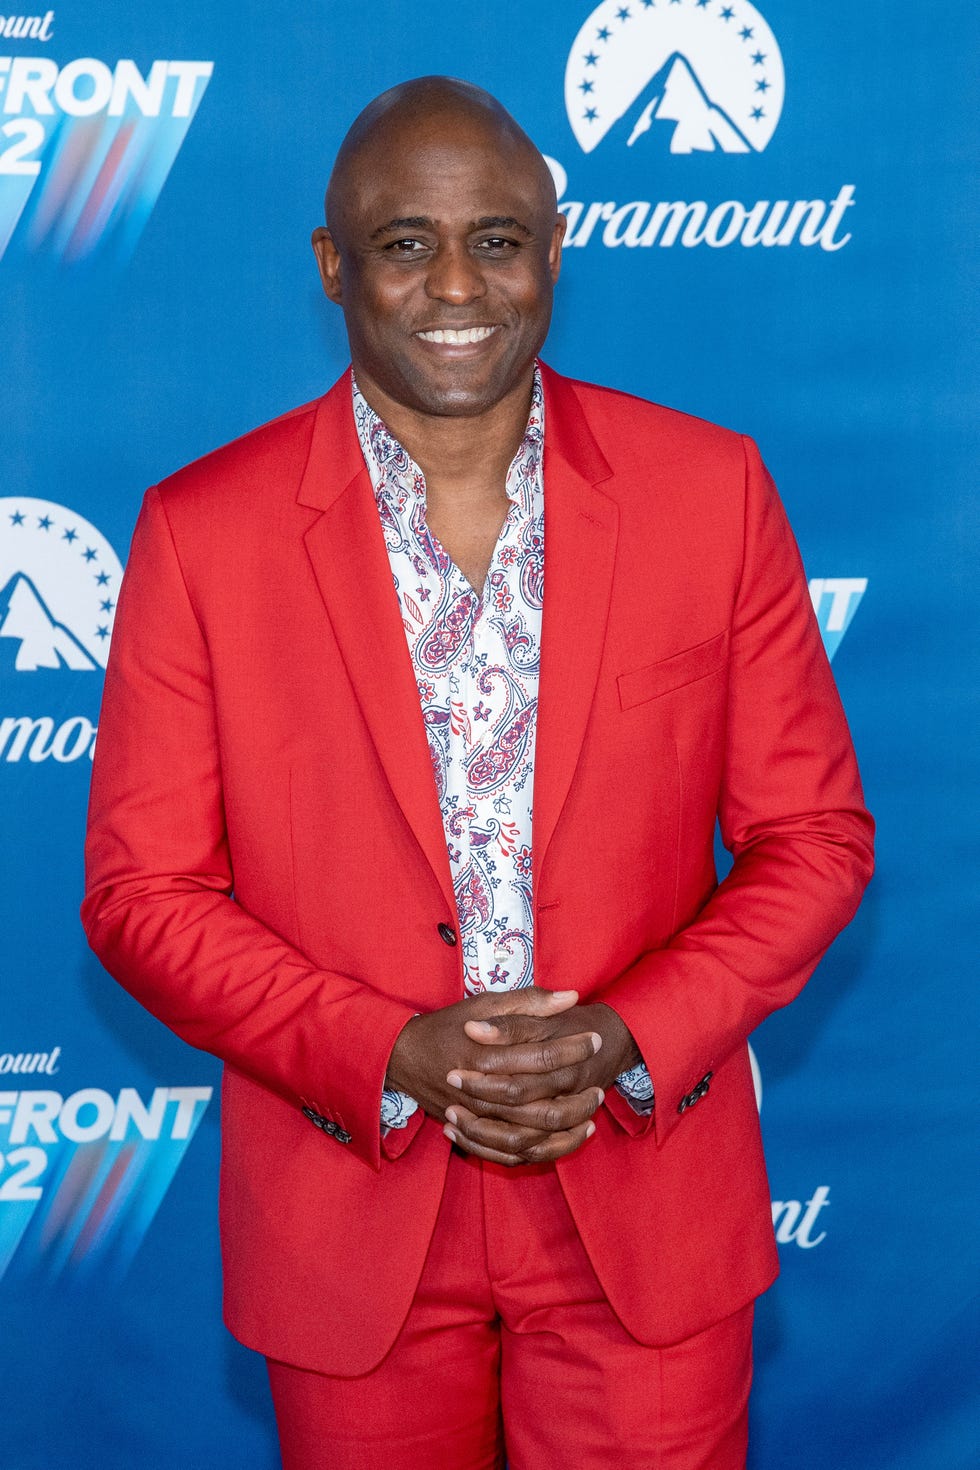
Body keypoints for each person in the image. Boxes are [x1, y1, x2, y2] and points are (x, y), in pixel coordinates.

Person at [82, 76, 873, 1470]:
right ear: (334, 266)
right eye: (404, 245)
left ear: (552, 252)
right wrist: (386, 1050)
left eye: (498, 239)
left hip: (644, 1193)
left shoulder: (712, 492)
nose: (458, 283)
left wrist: (626, 1033)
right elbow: (142, 893)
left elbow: (815, 837)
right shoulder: (202, 535)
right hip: (351, 1204)